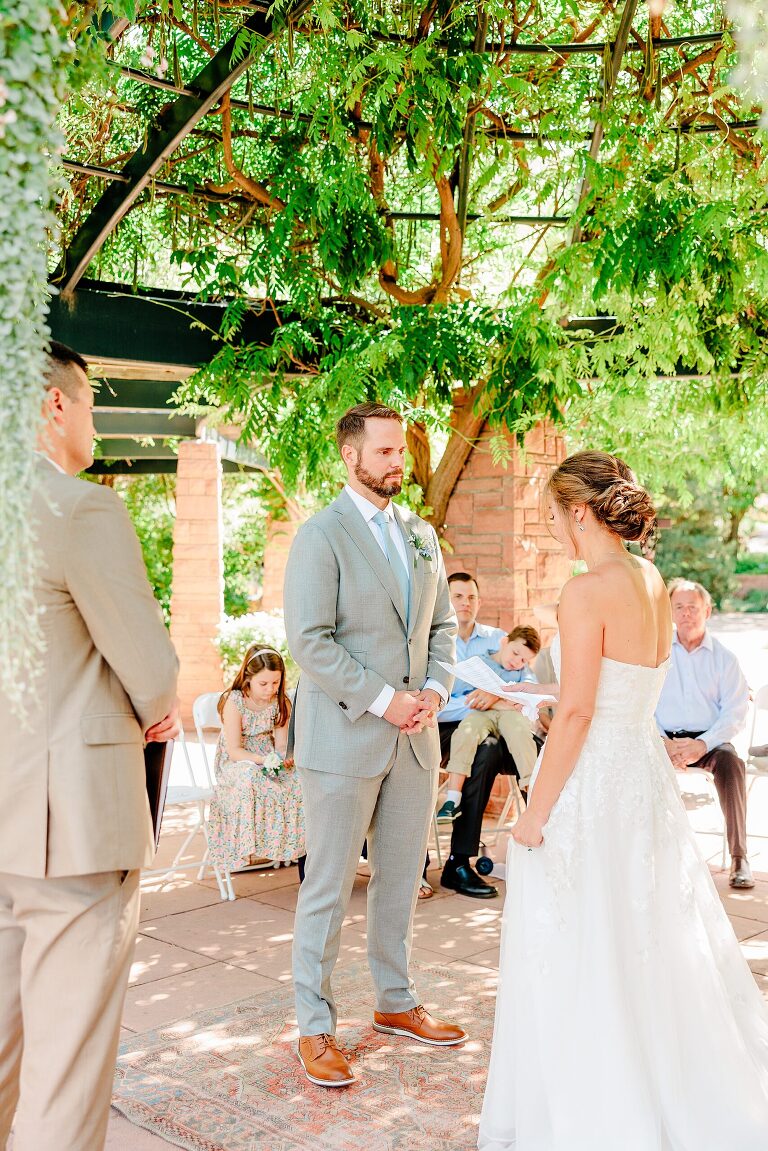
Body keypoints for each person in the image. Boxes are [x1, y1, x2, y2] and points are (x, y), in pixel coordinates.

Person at [479, 451, 768, 1151]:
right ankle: (667, 1078)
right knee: (646, 931)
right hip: (639, 776)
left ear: (580, 512)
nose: (552, 530)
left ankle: (600, 1104)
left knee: (580, 936)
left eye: (552, 514)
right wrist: (536, 693)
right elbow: (619, 690)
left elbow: (579, 715)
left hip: (591, 782)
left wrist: (534, 814)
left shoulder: (584, 591)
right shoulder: (650, 577)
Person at [0, 342, 179, 1151]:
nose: (96, 421)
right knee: (63, 1076)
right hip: (67, 829)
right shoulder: (78, 508)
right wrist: (156, 704)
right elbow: (151, 669)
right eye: (94, 404)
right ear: (53, 405)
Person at [284, 402, 465, 1089]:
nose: (399, 463)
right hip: (344, 738)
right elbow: (310, 641)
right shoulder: (319, 536)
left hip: (416, 742)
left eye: (400, 451)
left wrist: (436, 693)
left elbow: (442, 627)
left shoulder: (421, 534)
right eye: (385, 452)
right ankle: (314, 1025)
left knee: (401, 879)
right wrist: (386, 698)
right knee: (326, 887)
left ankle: (394, 1001)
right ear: (350, 456)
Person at [656, 578, 753, 889]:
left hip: (709, 741)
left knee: (732, 764)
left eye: (693, 608)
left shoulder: (725, 658)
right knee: (632, 762)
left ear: (707, 611)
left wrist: (702, 744)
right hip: (662, 739)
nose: (686, 614)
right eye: (679, 607)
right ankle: (653, 859)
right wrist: (663, 742)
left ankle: (739, 857)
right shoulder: (656, 653)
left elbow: (735, 712)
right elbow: (642, 702)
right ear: (670, 612)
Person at [437, 573, 520, 900]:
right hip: (449, 730)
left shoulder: (498, 639)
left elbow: (518, 685)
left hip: (499, 724)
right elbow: (435, 705)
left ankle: (543, 848)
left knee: (541, 748)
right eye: (457, 596)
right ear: (446, 601)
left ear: (479, 601)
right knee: (484, 751)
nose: (465, 603)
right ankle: (458, 862)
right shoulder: (438, 643)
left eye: (470, 597)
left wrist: (498, 699)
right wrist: (474, 704)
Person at [207, 646, 305, 874]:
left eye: (276, 683)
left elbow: (281, 745)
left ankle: (291, 847)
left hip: (269, 758)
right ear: (248, 679)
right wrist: (262, 760)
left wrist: (285, 758)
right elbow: (234, 750)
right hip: (239, 762)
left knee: (300, 780)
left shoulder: (280, 702)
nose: (270, 689)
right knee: (251, 777)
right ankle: (250, 845)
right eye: (264, 684)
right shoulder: (235, 701)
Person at [440, 625, 540, 818]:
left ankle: (532, 792)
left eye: (524, 660)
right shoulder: (481, 663)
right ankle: (452, 799)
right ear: (504, 642)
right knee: (465, 732)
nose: (517, 662)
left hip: (509, 714)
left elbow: (532, 692)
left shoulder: (523, 673)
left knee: (521, 734)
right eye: (516, 653)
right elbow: (455, 686)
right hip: (482, 712)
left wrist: (498, 697)